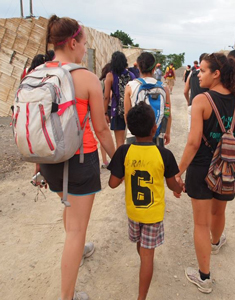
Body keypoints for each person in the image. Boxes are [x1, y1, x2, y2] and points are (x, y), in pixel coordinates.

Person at [38, 15, 115, 300]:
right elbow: (102, 129)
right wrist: (118, 160)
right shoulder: (84, 78)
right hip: (80, 161)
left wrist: (38, 165)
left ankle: (79, 247)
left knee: (69, 209)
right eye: (84, 44)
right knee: (76, 229)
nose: (85, 49)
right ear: (72, 42)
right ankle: (66, 296)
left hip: (48, 159)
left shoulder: (38, 73)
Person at [174, 53, 235, 293]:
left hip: (201, 168)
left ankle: (204, 278)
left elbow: (193, 143)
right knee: (219, 212)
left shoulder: (201, 101)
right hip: (226, 167)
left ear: (216, 73)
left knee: (200, 223)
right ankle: (216, 243)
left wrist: (178, 171)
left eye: (203, 70)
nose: (198, 74)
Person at [108, 102, 183, 300]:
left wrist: (123, 170)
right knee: (148, 255)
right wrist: (179, 189)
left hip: (134, 212)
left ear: (130, 129)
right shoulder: (163, 154)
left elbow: (113, 183)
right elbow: (172, 184)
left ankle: (144, 265)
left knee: (140, 244)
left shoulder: (124, 151)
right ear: (154, 128)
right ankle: (141, 297)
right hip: (153, 214)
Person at [124, 52, 171, 147]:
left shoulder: (130, 86)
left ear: (139, 68)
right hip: (157, 134)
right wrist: (167, 132)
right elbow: (167, 114)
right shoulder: (164, 88)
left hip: (134, 136)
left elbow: (126, 114)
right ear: (154, 69)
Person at [104, 51, 135, 148]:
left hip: (117, 111)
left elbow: (106, 97)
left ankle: (121, 162)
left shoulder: (110, 75)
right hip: (131, 111)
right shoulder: (131, 75)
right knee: (131, 140)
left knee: (120, 142)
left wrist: (105, 113)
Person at [184, 54, 208, 131]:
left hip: (193, 105)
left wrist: (188, 102)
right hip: (206, 107)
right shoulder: (210, 75)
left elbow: (185, 91)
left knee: (192, 131)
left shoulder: (192, 73)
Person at [99, 62, 112, 169]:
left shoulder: (100, 82)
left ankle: (104, 160)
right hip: (109, 109)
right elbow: (108, 97)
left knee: (102, 135)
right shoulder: (110, 81)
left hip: (101, 109)